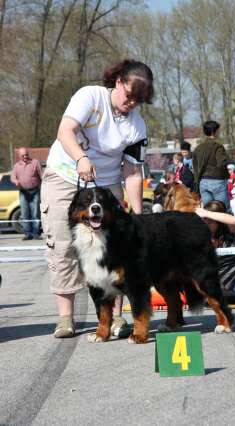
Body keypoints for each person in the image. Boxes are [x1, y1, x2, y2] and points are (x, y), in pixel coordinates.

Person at [41, 59, 154, 338]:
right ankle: (66, 318)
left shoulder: (137, 126)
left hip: (105, 186)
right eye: (129, 95)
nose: (131, 103)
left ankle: (115, 318)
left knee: (116, 251)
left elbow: (132, 172)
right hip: (66, 176)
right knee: (63, 246)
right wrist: (81, 157)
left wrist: (137, 214)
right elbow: (65, 131)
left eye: (138, 100)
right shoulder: (90, 96)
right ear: (118, 81)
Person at [193, 120, 229, 209]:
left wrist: (198, 183)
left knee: (208, 213)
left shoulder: (198, 148)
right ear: (214, 132)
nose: (219, 133)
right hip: (217, 181)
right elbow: (222, 164)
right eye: (218, 131)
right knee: (222, 210)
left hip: (203, 182)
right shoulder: (218, 147)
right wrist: (226, 176)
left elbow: (195, 168)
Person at [11, 147, 42, 240]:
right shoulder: (16, 166)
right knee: (24, 213)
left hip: (35, 191)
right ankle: (27, 234)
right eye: (22, 155)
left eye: (26, 155)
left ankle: (36, 233)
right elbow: (13, 177)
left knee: (35, 213)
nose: (25, 157)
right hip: (23, 192)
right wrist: (16, 181)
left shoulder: (35, 162)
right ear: (19, 156)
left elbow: (42, 175)